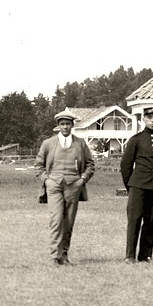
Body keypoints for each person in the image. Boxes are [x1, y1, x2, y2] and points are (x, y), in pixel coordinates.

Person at [34, 109, 95, 266]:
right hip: (54, 185)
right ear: (58, 126)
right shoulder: (48, 144)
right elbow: (38, 166)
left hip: (73, 185)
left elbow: (90, 164)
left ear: (72, 125)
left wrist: (82, 179)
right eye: (62, 124)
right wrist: (46, 180)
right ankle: (54, 256)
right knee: (56, 220)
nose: (65, 127)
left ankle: (64, 255)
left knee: (68, 221)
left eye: (68, 124)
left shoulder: (80, 143)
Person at [120, 106, 153, 264]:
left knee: (151, 221)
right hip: (138, 186)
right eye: (150, 118)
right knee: (134, 220)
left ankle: (145, 255)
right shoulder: (136, 139)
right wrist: (131, 186)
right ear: (144, 119)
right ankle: (130, 255)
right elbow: (125, 166)